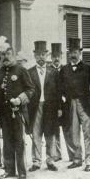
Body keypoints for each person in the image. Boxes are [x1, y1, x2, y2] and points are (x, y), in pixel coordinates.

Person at [0, 46, 35, 179]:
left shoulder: (21, 71)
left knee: (19, 142)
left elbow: (31, 89)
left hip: (17, 113)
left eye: (8, 54)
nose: (6, 57)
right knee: (7, 143)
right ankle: (9, 170)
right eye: (3, 55)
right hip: (4, 114)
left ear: (14, 55)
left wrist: (20, 99)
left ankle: (22, 171)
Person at [59, 38, 90, 171]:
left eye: (75, 51)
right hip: (70, 104)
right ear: (68, 53)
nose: (73, 54)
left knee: (88, 132)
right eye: (71, 52)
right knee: (73, 132)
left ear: (80, 53)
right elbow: (60, 87)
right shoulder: (64, 69)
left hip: (85, 104)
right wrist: (65, 99)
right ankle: (77, 159)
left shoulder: (89, 68)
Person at [28, 41, 61, 172]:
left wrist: (59, 108)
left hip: (50, 107)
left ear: (47, 55)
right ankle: (36, 162)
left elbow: (58, 91)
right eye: (38, 54)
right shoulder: (29, 72)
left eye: (43, 54)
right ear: (34, 55)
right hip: (35, 107)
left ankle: (50, 160)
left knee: (50, 133)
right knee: (36, 134)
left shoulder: (53, 72)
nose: (41, 57)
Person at [50, 43, 74, 163]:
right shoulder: (48, 70)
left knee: (67, 129)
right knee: (54, 130)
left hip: (64, 104)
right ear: (51, 57)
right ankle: (56, 154)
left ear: (61, 56)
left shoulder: (66, 69)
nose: (56, 58)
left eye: (58, 55)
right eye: (54, 56)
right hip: (52, 104)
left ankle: (72, 154)